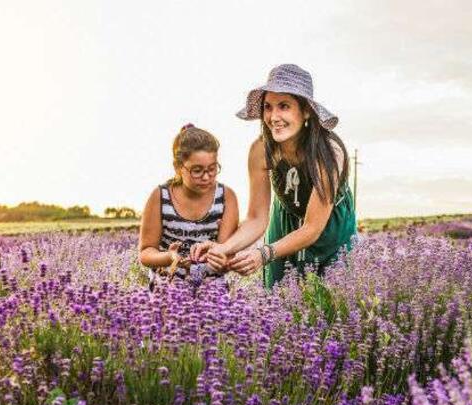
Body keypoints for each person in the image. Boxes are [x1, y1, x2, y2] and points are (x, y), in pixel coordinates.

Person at [191, 64, 356, 289]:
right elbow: (257, 218)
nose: (273, 116)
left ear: (306, 111)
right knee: (281, 296)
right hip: (285, 216)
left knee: (332, 299)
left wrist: (264, 253)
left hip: (329, 224)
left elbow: (312, 228)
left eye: (284, 106)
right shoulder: (260, 151)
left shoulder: (329, 152)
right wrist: (224, 247)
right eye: (268, 107)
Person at [138, 123, 239, 289]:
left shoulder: (227, 197)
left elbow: (227, 251)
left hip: (213, 296)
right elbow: (146, 253)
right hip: (167, 294)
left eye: (212, 169)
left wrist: (221, 257)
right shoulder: (160, 196)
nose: (206, 177)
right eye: (197, 170)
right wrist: (169, 257)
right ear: (178, 167)